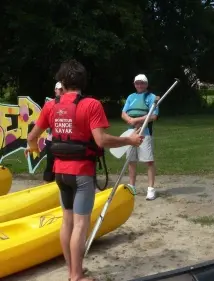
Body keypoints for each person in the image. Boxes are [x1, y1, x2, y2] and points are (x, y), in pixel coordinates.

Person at [25, 59, 143, 281]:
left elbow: (32, 137)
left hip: (60, 173)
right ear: (83, 81)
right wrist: (130, 141)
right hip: (81, 174)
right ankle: (76, 276)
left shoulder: (51, 106)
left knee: (67, 221)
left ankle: (73, 270)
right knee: (80, 224)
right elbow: (101, 140)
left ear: (63, 81)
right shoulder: (91, 105)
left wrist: (31, 148)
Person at [121, 74, 159, 200]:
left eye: (142, 83)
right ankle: (132, 186)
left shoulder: (152, 97)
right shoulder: (131, 97)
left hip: (145, 132)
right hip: (131, 132)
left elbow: (153, 116)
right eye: (137, 83)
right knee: (131, 161)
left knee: (149, 160)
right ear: (134, 84)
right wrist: (130, 120)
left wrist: (138, 119)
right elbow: (123, 113)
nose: (139, 85)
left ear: (146, 84)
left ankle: (151, 189)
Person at [43, 82, 63, 183]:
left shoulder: (72, 104)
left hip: (65, 141)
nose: (61, 91)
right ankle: (47, 186)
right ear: (55, 90)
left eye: (62, 89)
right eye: (59, 89)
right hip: (52, 140)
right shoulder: (50, 105)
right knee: (50, 165)